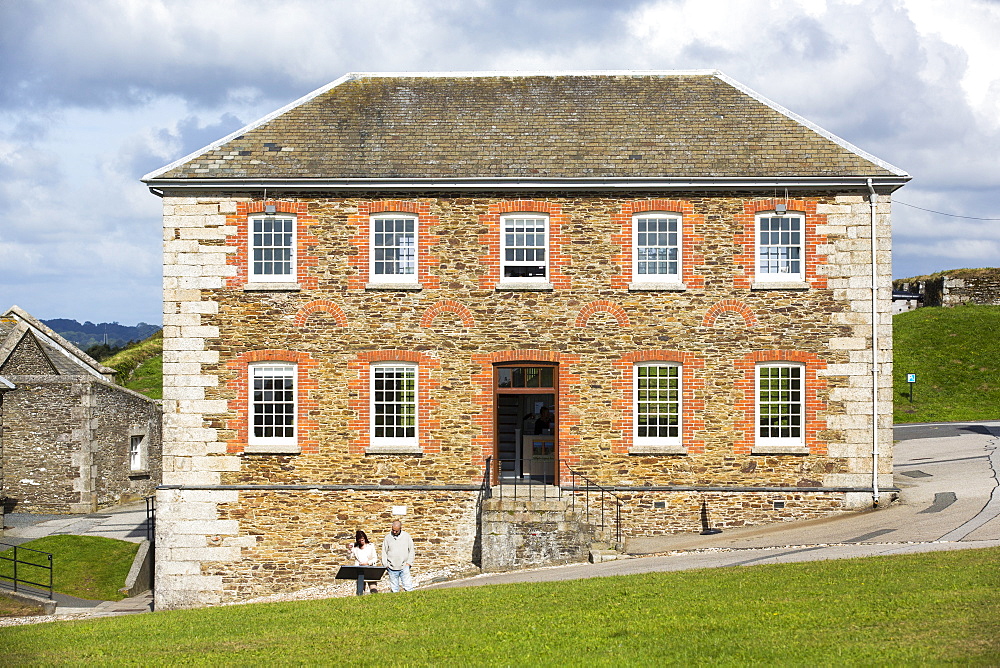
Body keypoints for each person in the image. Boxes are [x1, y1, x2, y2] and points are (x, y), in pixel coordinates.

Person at [381, 520, 415, 592]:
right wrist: (385, 564)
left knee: (408, 587)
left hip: (404, 566)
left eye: (396, 531)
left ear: (400, 528)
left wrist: (409, 563)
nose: (394, 532)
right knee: (394, 588)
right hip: (391, 567)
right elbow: (384, 551)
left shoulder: (406, 536)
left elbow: (411, 550)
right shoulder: (387, 538)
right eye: (393, 530)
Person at [347, 530, 378, 595]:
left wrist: (368, 563)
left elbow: (375, 558)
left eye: (362, 540)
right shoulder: (355, 548)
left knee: (373, 587)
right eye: (360, 541)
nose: (361, 542)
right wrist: (349, 551)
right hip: (360, 570)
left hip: (370, 569)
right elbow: (348, 557)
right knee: (360, 589)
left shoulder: (370, 546)